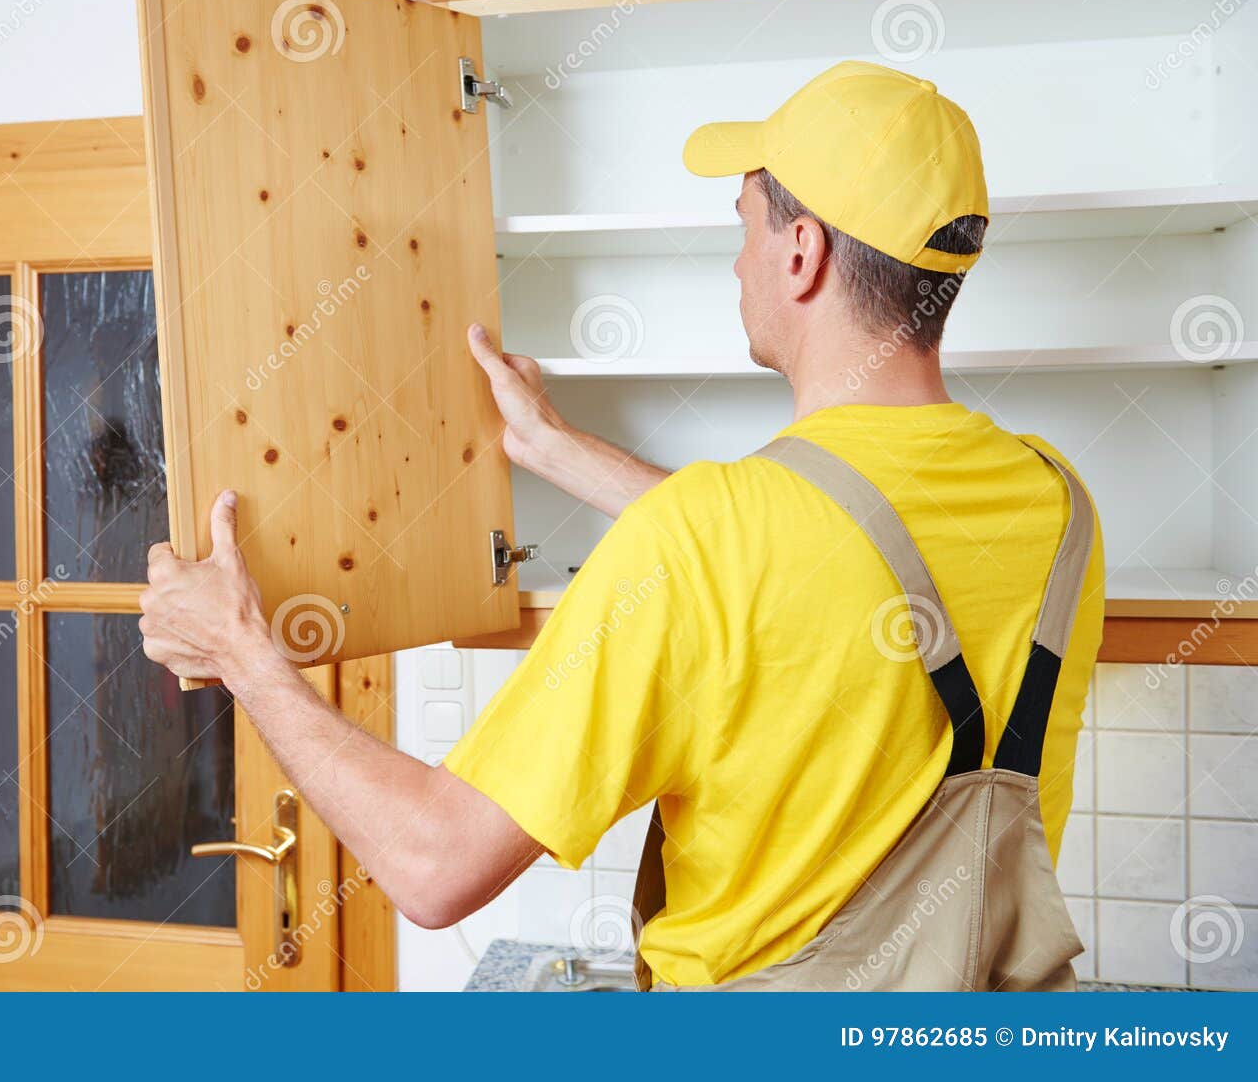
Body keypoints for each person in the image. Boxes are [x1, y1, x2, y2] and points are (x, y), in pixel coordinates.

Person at [138, 61, 1105, 990]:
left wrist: (242, 650)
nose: (738, 261)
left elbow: (433, 867)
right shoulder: (1058, 505)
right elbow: (806, 555)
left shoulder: (704, 541)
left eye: (745, 226)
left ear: (801, 253)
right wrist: (559, 450)